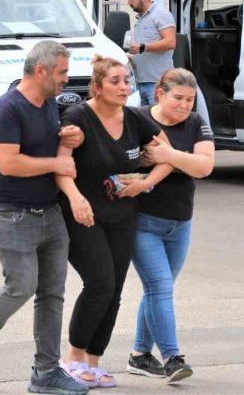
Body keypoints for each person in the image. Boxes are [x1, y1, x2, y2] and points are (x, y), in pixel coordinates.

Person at [0, 40, 89, 395]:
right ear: (42, 71)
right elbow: (9, 163)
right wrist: (56, 163)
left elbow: (49, 141)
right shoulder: (6, 108)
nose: (66, 79)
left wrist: (69, 135)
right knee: (22, 285)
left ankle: (46, 372)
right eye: (62, 72)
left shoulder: (48, 104)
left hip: (49, 213)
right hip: (10, 214)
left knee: (52, 294)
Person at [56, 55, 173, 388]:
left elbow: (168, 155)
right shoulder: (78, 117)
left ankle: (93, 362)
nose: (124, 87)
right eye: (115, 81)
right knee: (100, 283)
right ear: (97, 86)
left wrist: (145, 183)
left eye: (127, 80)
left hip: (123, 216)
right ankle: (72, 358)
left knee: (116, 290)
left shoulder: (136, 118)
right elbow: (62, 165)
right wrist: (75, 198)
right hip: (83, 214)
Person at [126, 69, 215, 384]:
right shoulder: (137, 119)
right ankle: (172, 358)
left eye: (190, 100)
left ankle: (139, 355)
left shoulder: (195, 123)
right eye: (178, 97)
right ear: (159, 93)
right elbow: (128, 160)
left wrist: (169, 155)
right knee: (160, 288)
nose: (184, 105)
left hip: (181, 224)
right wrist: (177, 160)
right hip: (143, 222)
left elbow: (204, 167)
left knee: (157, 291)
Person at [124, 0, 176, 104]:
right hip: (139, 82)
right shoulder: (140, 19)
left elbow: (170, 42)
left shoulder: (160, 14)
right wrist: (132, 57)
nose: (128, 2)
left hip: (158, 82)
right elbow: (143, 47)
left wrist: (141, 48)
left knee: (157, 121)